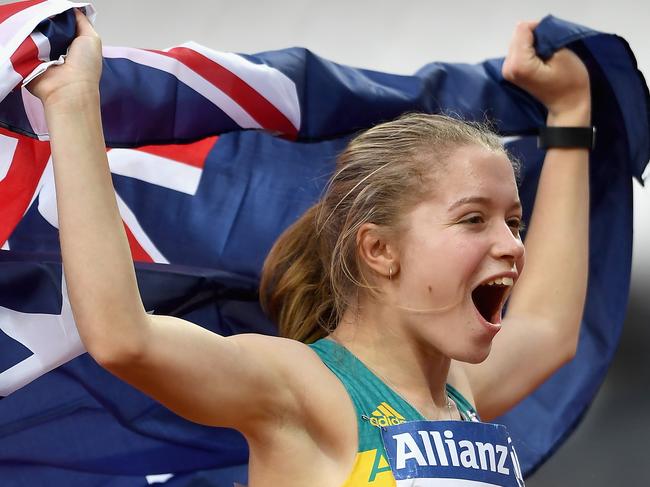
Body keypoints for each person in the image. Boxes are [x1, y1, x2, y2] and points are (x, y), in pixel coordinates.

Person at [29, 9, 590, 487]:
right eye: (474, 219)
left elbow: (547, 326)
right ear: (379, 250)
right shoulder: (301, 388)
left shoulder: (459, 392)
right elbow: (124, 339)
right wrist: (75, 101)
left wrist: (569, 118)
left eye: (515, 223)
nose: (513, 246)